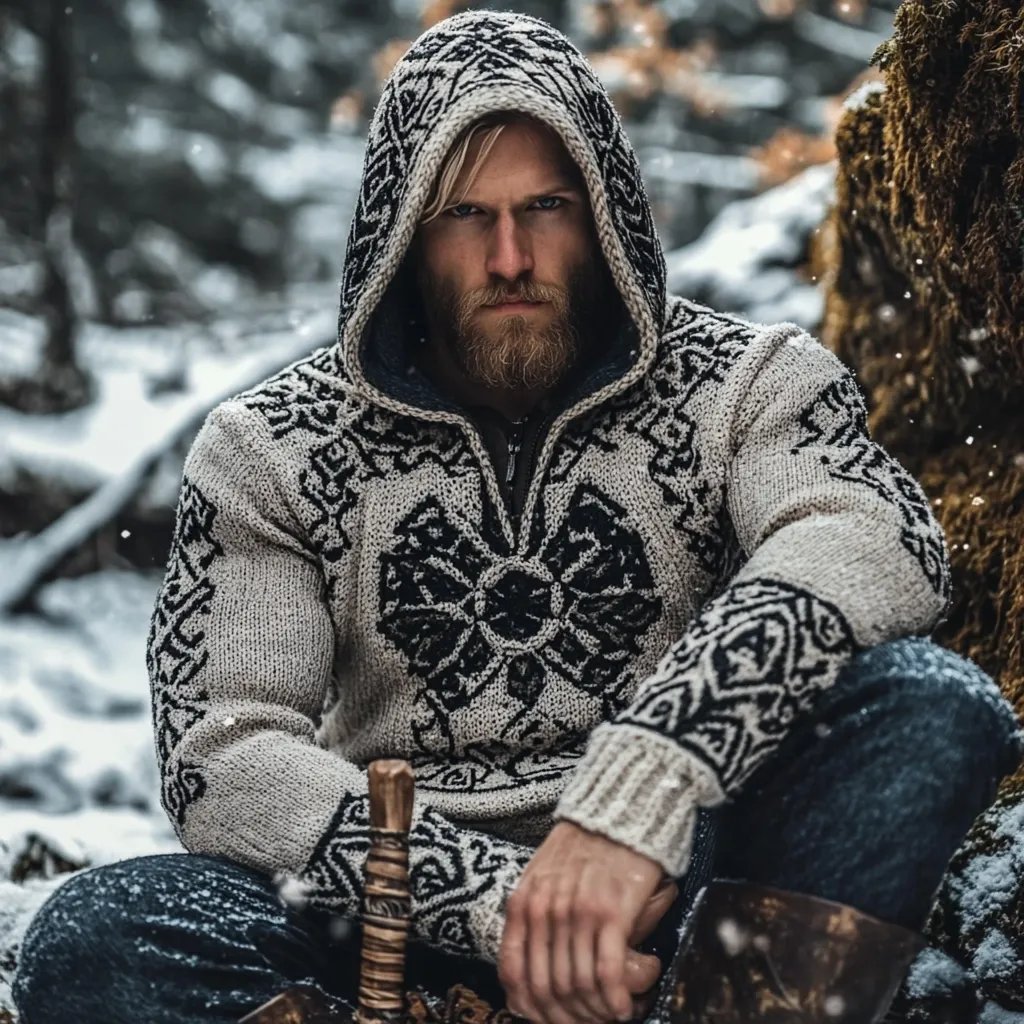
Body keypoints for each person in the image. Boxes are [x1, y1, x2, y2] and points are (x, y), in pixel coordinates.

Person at [13, 11, 1022, 1024]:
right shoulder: (268, 446)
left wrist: (637, 794)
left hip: (681, 895)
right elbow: (221, 756)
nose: (509, 256)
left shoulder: (746, 383)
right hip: (387, 924)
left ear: (603, 211)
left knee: (928, 707)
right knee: (103, 937)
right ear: (403, 230)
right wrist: (500, 906)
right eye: (464, 215)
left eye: (545, 204)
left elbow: (875, 537)